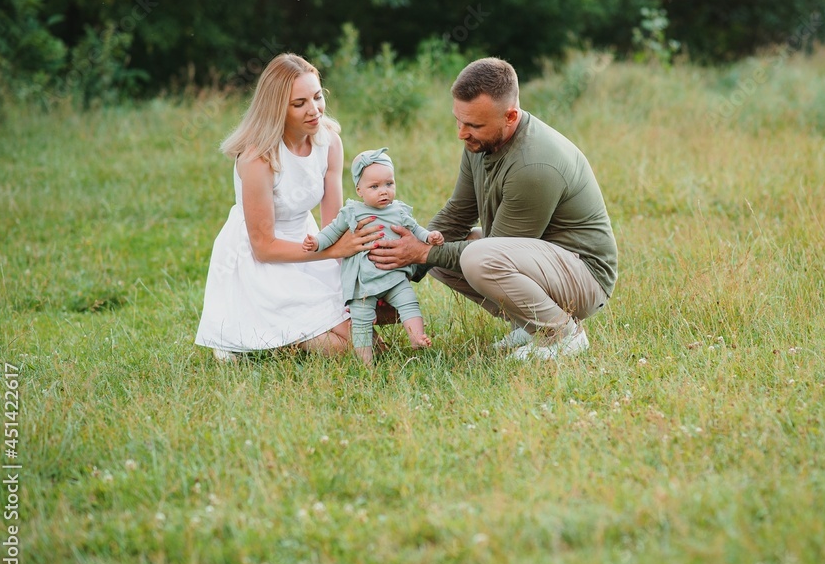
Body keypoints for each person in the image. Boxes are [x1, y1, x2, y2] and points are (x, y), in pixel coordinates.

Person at [368, 57, 618, 360]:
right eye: (459, 120)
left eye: (474, 125)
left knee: (474, 256)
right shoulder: (480, 142)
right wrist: (399, 273)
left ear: (510, 116)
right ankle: (531, 326)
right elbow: (457, 215)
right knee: (440, 246)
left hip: (585, 278)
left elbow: (495, 249)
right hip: (545, 261)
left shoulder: (534, 166)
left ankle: (562, 334)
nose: (461, 133)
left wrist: (422, 253)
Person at [195, 53, 385, 361]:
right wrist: (334, 251)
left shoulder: (329, 142)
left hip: (312, 245)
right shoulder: (258, 158)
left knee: (369, 342)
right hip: (263, 262)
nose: (314, 111)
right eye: (299, 104)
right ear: (276, 108)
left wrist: (354, 277)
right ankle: (254, 337)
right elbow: (263, 247)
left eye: (317, 97)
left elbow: (333, 225)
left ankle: (292, 331)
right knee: (344, 349)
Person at [302, 148, 444, 366]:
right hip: (362, 282)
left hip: (394, 276)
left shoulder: (398, 210)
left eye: (389, 184)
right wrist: (317, 242)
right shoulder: (352, 212)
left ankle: (417, 337)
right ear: (359, 190)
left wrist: (429, 236)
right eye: (374, 187)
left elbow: (416, 230)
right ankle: (366, 362)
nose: (383, 191)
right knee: (361, 319)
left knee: (409, 303)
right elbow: (331, 232)